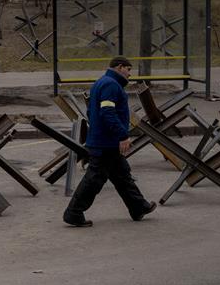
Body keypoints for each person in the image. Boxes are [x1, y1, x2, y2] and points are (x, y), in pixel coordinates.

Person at [63, 56, 156, 227]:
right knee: (94, 179)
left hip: (105, 140)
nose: (130, 74)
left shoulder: (102, 82)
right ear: (120, 67)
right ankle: (74, 212)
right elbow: (107, 112)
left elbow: (91, 111)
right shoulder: (111, 85)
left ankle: (138, 207)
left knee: (122, 175)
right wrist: (122, 135)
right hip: (106, 142)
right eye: (128, 69)